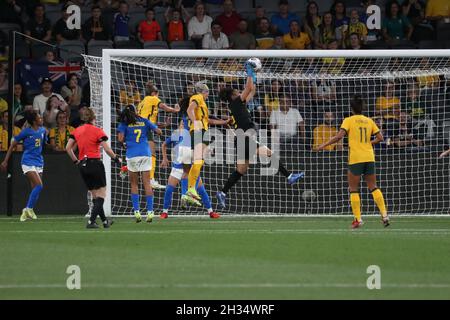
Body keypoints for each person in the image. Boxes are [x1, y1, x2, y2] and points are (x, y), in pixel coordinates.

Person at [215, 60, 304, 209]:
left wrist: (254, 75)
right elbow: (248, 88)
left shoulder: (238, 104)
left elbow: (252, 90)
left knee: (241, 170)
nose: (238, 92)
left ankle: (222, 192)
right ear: (232, 96)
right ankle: (289, 176)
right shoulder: (236, 103)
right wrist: (249, 71)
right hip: (245, 137)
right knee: (269, 153)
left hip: (242, 139)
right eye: (236, 92)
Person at [315, 95, 390, 229]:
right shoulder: (369, 120)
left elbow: (339, 137)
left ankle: (358, 219)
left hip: (356, 158)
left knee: (353, 188)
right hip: (369, 156)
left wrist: (322, 145)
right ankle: (384, 215)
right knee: (373, 186)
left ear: (351, 108)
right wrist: (368, 143)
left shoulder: (348, 120)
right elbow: (380, 138)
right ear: (363, 108)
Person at [66, 108, 119, 228]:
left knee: (95, 196)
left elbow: (68, 148)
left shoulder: (77, 130)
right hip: (95, 163)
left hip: (83, 166)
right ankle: (91, 221)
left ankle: (105, 222)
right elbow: (107, 149)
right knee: (102, 194)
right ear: (93, 119)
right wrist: (116, 158)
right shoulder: (97, 130)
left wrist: (76, 162)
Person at [161, 120, 220, 219]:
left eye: (185, 124)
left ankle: (211, 212)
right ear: (179, 125)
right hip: (177, 167)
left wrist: (209, 149)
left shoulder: (192, 136)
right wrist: (164, 158)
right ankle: (164, 212)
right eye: (181, 124)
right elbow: (164, 144)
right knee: (169, 189)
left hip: (190, 169)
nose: (183, 125)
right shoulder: (175, 135)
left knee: (201, 190)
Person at [185, 82, 229, 202]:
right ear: (204, 92)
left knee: (200, 160)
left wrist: (224, 122)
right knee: (198, 160)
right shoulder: (198, 97)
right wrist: (195, 122)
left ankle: (191, 189)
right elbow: (190, 110)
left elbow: (209, 120)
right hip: (198, 130)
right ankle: (190, 189)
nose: (208, 95)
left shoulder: (202, 103)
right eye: (207, 93)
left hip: (202, 130)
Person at [118, 105, 162, 223]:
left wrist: (127, 139)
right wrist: (149, 130)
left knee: (134, 184)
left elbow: (120, 139)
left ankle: (137, 212)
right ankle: (150, 212)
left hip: (132, 154)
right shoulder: (144, 120)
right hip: (145, 153)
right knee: (147, 183)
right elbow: (158, 131)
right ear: (136, 111)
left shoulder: (124, 123)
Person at [1, 111, 47, 222]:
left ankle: (26, 212)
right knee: (39, 185)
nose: (41, 119)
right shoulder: (26, 132)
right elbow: (12, 145)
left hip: (39, 161)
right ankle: (29, 209)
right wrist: (5, 161)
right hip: (27, 161)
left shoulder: (43, 130)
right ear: (34, 121)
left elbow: (43, 144)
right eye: (39, 118)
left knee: (35, 188)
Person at [137, 84, 180, 189]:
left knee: (145, 155)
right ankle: (151, 179)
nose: (158, 97)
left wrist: (164, 125)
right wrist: (175, 110)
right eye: (157, 95)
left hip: (138, 129)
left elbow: (151, 121)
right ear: (153, 94)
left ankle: (144, 177)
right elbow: (164, 107)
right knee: (152, 154)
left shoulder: (141, 103)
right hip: (145, 129)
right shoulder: (152, 99)